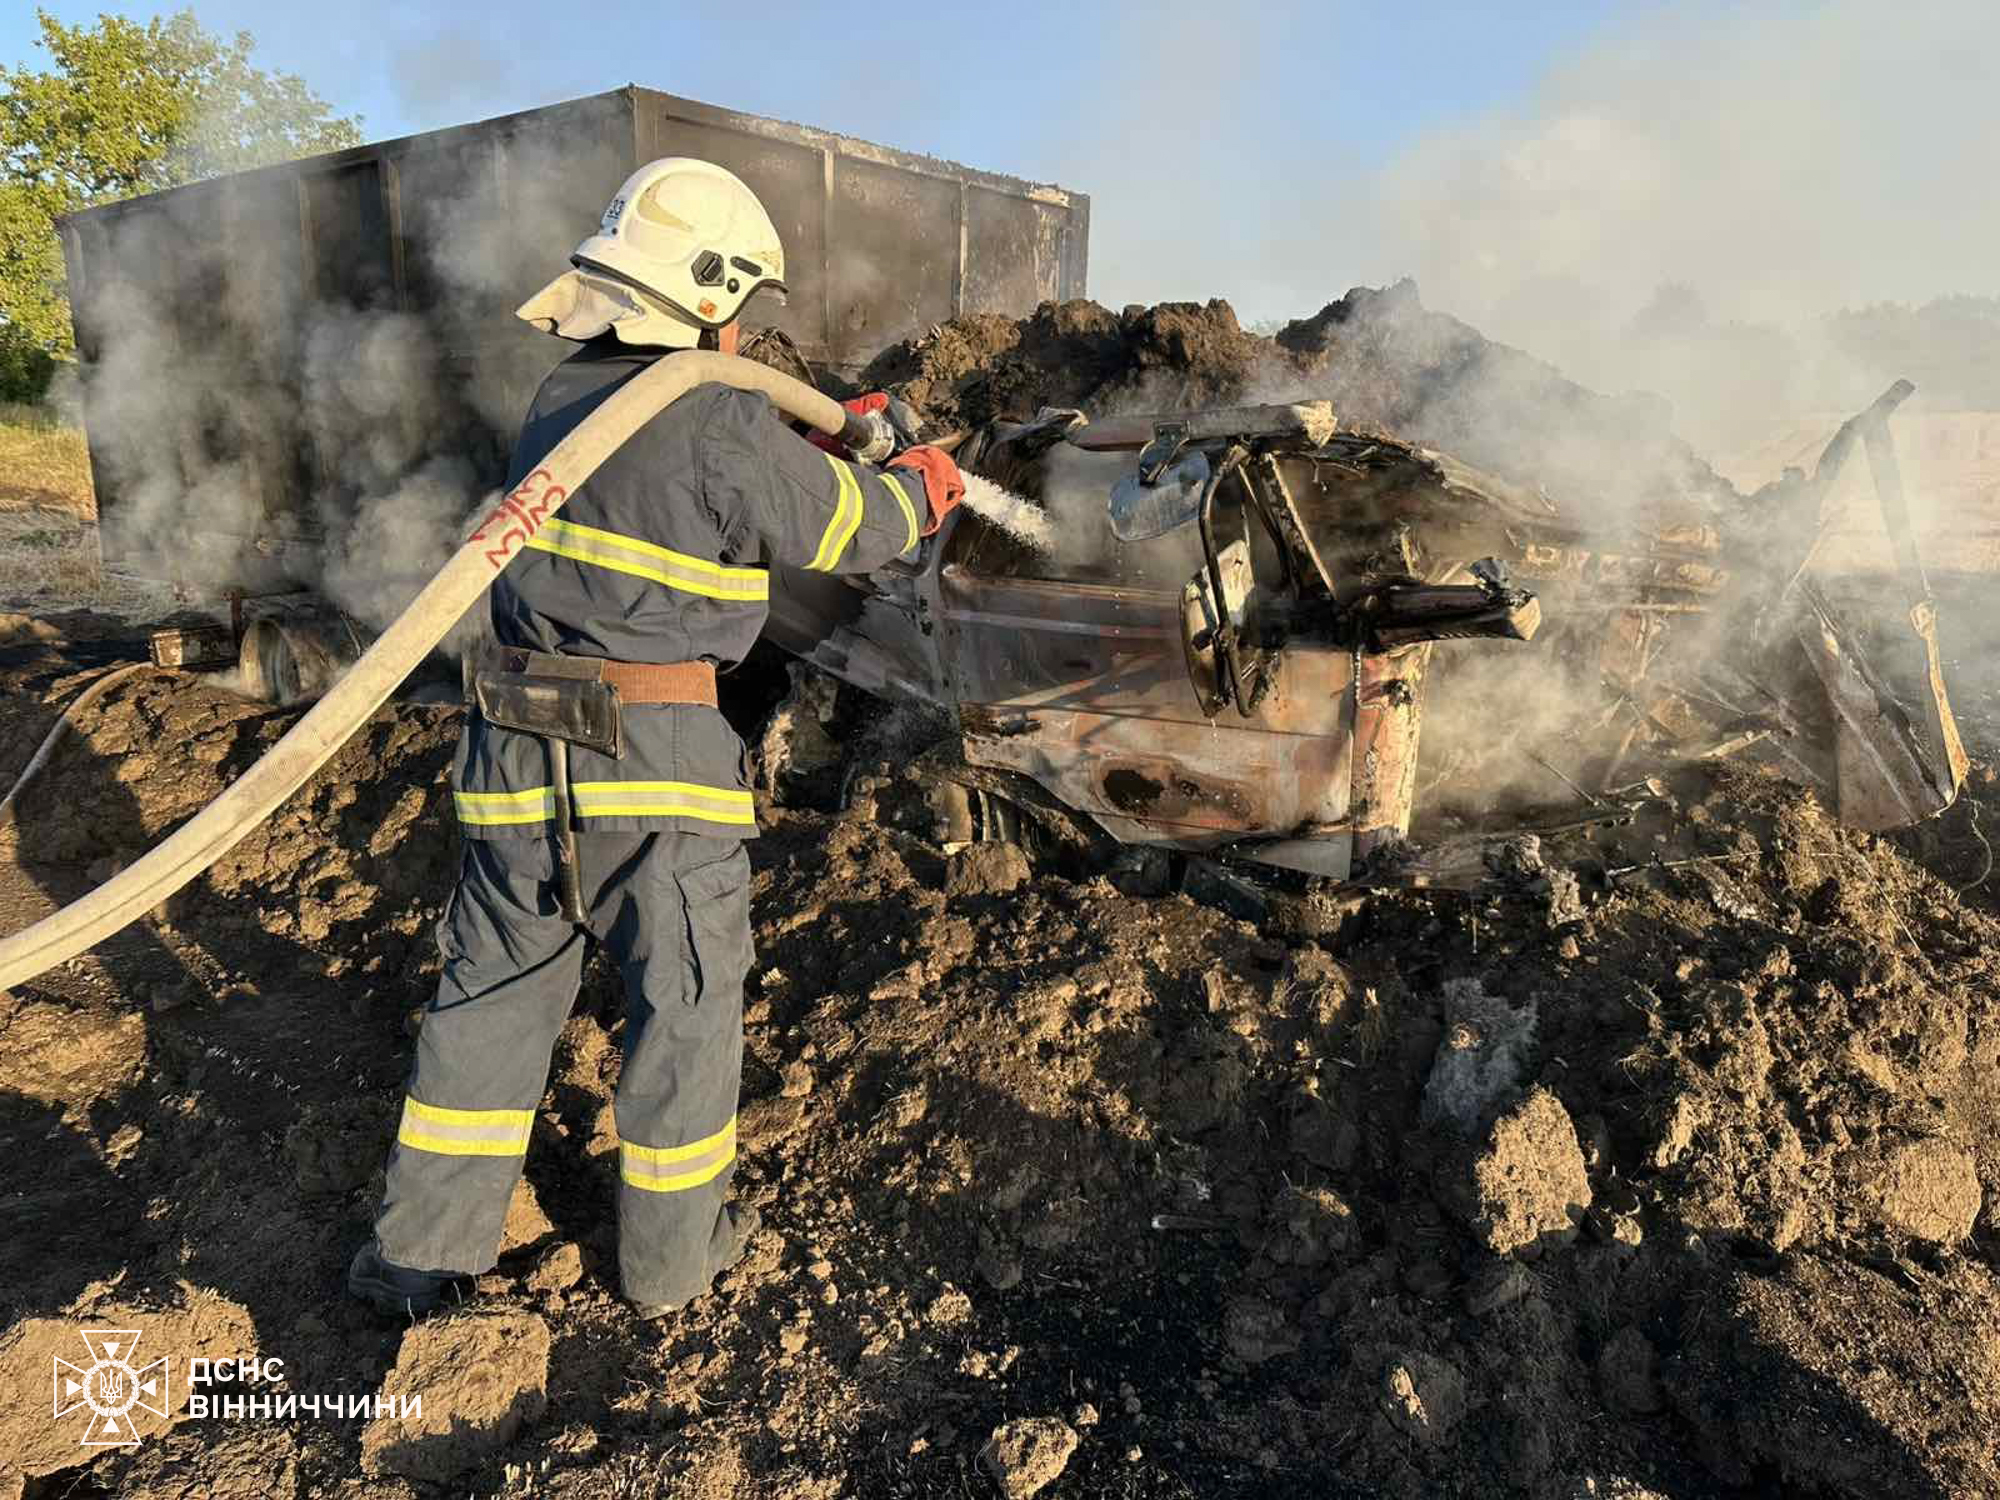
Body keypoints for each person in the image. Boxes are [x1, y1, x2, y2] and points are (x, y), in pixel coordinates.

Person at [347, 158, 963, 1319]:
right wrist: (919, 486)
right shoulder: (713, 414)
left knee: (490, 995)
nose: (741, 335)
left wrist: (829, 436)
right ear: (707, 294)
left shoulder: (561, 399)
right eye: (740, 310)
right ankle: (675, 1264)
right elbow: (848, 527)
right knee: (682, 1006)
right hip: (648, 755)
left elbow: (683, 495)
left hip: (514, 747)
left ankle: (418, 1254)